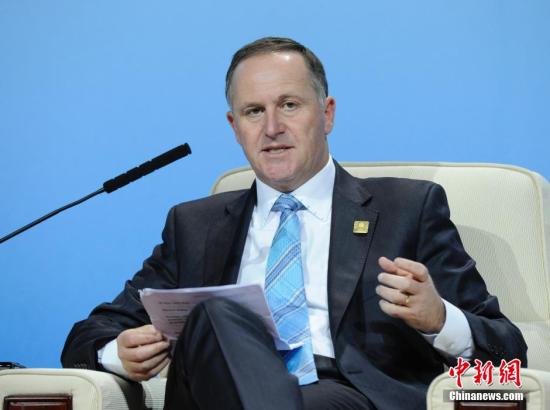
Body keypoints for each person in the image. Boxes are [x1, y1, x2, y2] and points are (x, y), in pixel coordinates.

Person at [61, 37, 527, 409]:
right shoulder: (194, 226)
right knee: (215, 315)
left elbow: (510, 350)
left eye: (288, 105)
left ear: (327, 114)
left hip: (343, 394)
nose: (271, 128)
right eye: (253, 112)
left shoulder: (408, 208)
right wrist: (117, 354)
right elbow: (88, 336)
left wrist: (439, 318)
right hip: (211, 393)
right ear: (234, 127)